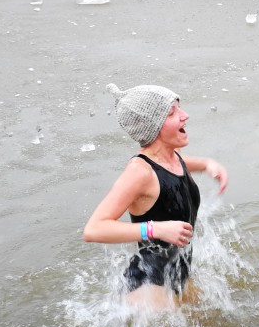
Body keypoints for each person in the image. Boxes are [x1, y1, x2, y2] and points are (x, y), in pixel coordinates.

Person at [83, 83, 228, 309]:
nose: (184, 116)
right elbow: (94, 229)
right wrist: (155, 229)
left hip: (178, 272)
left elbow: (177, 166)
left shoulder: (171, 156)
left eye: (179, 108)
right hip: (148, 286)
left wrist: (208, 164)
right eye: (172, 113)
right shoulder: (139, 172)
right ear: (154, 127)